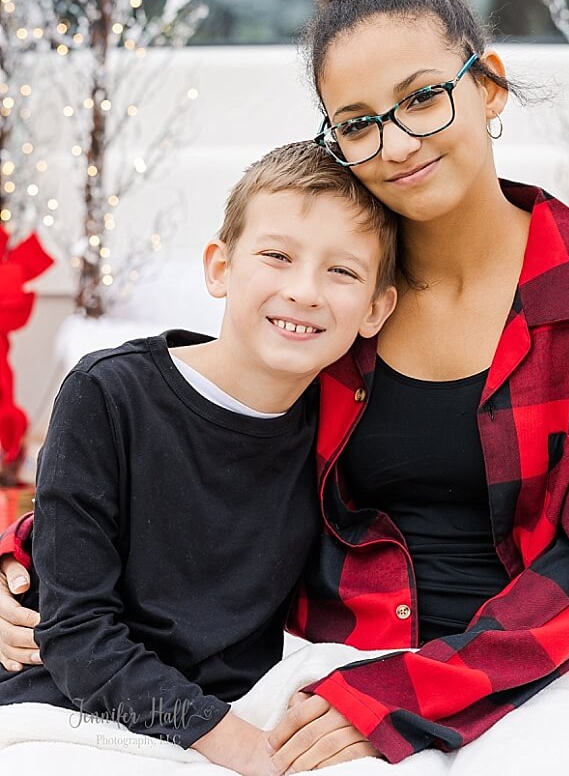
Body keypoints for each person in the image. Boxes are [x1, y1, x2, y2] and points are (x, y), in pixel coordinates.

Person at [1, 0, 569, 772]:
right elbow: (199, 440)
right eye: (357, 121)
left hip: (555, 667)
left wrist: (408, 695)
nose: (395, 143)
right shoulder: (335, 304)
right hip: (346, 657)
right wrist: (26, 571)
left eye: (424, 97)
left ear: (489, 87)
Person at [0, 141, 398, 775]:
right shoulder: (108, 393)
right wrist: (234, 744)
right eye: (277, 256)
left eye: (342, 272)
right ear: (219, 267)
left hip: (243, 705)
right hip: (73, 706)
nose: (304, 291)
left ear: (377, 307)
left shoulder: (345, 426)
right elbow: (76, 631)